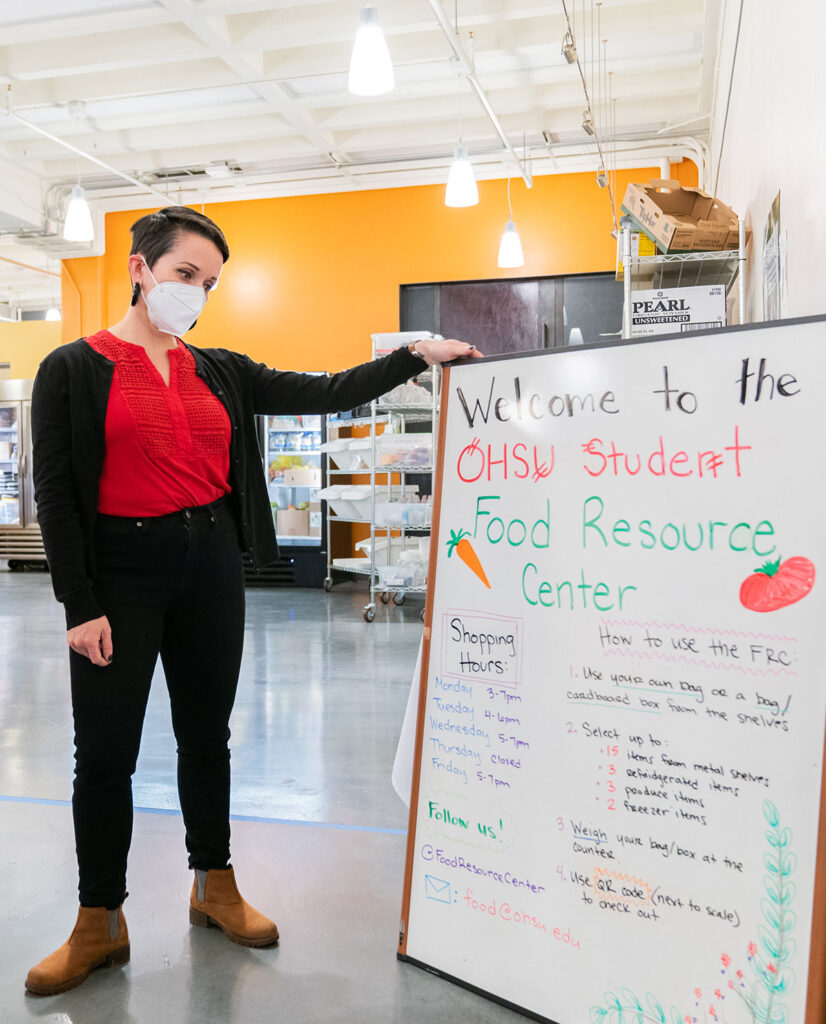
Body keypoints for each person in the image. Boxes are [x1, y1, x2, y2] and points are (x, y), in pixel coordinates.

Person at [26, 205, 480, 996]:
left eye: (207, 282)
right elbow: (59, 495)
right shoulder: (73, 367)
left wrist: (416, 354)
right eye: (183, 275)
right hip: (120, 575)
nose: (195, 293)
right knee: (104, 753)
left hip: (210, 566)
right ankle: (98, 918)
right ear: (139, 268)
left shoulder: (220, 369)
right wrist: (79, 604)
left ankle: (214, 885)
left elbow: (326, 391)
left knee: (208, 737)